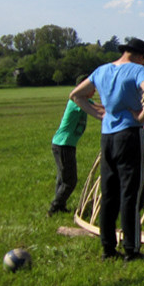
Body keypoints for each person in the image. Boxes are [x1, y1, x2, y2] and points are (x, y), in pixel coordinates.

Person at [70, 38, 144, 262]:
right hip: (129, 135)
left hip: (107, 137)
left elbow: (76, 95)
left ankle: (108, 248)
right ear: (139, 56)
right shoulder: (138, 70)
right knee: (131, 192)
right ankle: (132, 249)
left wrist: (98, 113)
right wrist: (141, 116)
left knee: (109, 193)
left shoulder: (101, 71)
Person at [48, 76, 100, 216]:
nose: (94, 91)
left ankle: (60, 205)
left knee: (63, 178)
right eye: (92, 88)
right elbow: (98, 110)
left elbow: (99, 107)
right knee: (70, 181)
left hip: (64, 144)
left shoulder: (84, 100)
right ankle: (55, 207)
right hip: (63, 144)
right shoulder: (76, 101)